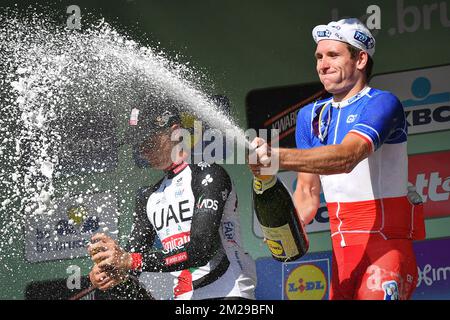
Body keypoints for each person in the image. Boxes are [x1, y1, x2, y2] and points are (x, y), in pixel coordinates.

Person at [250, 18, 425, 300]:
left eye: (333, 55)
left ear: (360, 59)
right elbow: (307, 192)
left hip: (386, 248)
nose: (323, 64)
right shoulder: (310, 116)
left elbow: (347, 157)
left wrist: (275, 157)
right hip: (343, 255)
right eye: (319, 56)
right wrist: (285, 229)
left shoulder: (382, 102)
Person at [88, 98, 257, 300]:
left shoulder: (209, 175)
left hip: (228, 292)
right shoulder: (148, 197)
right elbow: (132, 262)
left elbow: (200, 250)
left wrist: (128, 261)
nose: (142, 149)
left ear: (176, 132)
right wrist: (110, 270)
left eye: (147, 140)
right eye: (137, 144)